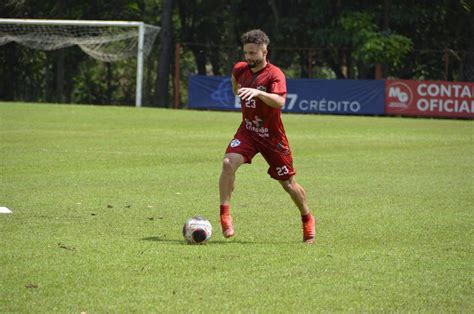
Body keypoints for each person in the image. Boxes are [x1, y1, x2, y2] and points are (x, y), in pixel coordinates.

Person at [219, 29, 316, 244]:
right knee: (228, 163)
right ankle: (224, 214)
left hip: (272, 137)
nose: (249, 57)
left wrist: (259, 93)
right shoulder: (239, 69)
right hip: (248, 131)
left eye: (253, 53)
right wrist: (242, 90)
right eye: (246, 53)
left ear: (264, 51)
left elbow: (281, 102)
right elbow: (236, 87)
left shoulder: (274, 74)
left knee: (288, 184)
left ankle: (307, 218)